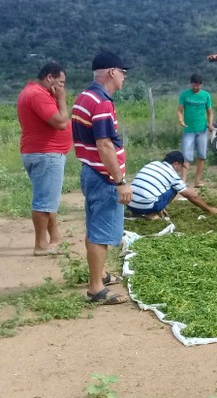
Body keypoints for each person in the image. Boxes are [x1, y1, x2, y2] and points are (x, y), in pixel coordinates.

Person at [72, 51, 133, 305]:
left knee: (94, 226)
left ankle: (100, 275)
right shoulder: (102, 103)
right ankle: (96, 288)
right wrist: (119, 182)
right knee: (101, 232)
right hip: (103, 175)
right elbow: (105, 145)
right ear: (111, 72)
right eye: (123, 73)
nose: (124, 78)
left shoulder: (83, 97)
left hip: (90, 171)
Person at [16, 62, 72, 256]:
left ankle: (54, 237)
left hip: (43, 153)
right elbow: (61, 122)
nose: (62, 87)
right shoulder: (38, 95)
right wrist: (62, 99)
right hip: (46, 154)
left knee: (49, 199)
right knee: (44, 202)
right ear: (50, 77)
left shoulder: (35, 92)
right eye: (61, 83)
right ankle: (41, 245)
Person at [128, 151, 217, 219]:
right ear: (176, 164)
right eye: (181, 167)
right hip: (147, 206)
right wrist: (209, 209)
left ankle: (137, 213)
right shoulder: (171, 173)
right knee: (175, 188)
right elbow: (191, 196)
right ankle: (152, 213)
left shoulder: (152, 164)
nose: (180, 170)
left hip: (130, 204)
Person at [177, 74, 214, 188]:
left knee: (202, 156)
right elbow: (179, 111)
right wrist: (181, 120)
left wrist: (210, 124)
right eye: (194, 85)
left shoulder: (206, 95)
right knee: (186, 156)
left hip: (202, 130)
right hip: (189, 130)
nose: (196, 87)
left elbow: (209, 112)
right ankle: (183, 181)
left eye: (198, 85)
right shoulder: (185, 95)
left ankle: (197, 181)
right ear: (191, 84)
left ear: (201, 84)